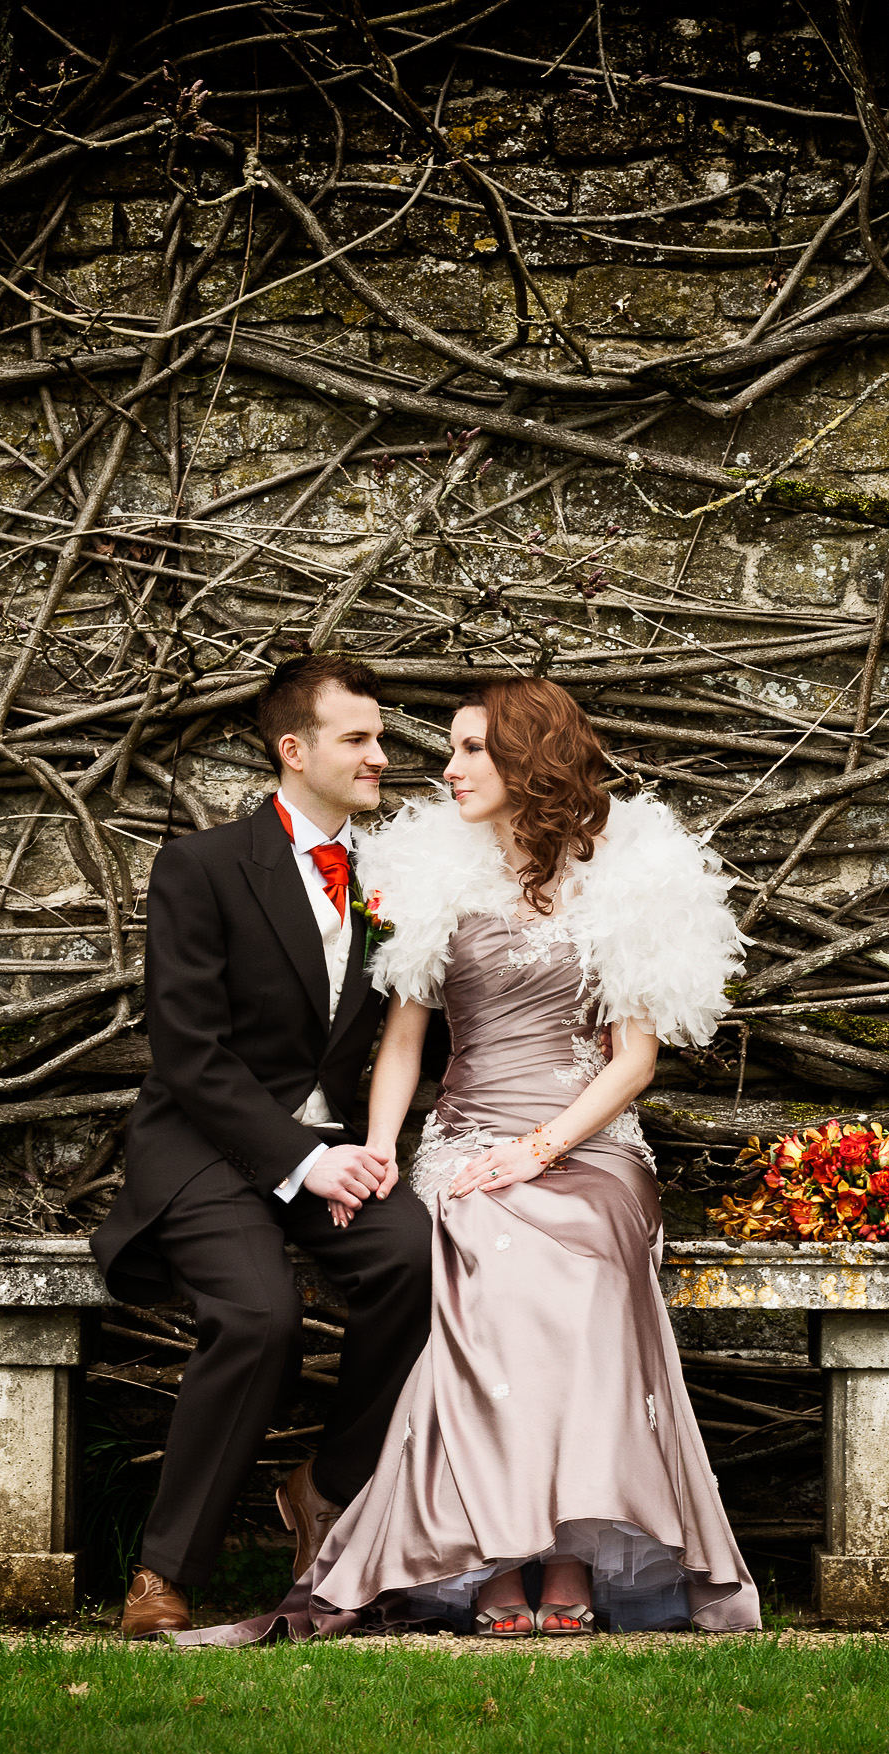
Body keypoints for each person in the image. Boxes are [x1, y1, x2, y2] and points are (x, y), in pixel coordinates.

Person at [179, 677, 758, 1641]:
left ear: (530, 759)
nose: (446, 769)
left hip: (589, 1143)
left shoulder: (621, 872)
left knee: (581, 1255)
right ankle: (495, 1551)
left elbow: (635, 1060)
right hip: (467, 1139)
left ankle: (565, 1551)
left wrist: (540, 1148)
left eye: (471, 750)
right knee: (485, 1259)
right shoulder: (433, 873)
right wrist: (381, 1151)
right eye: (449, 750)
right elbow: (405, 1041)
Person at [93, 654, 433, 1641]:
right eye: (357, 737)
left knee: (417, 1258)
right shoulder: (199, 868)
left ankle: (324, 1486)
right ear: (295, 749)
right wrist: (302, 1159)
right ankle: (165, 1571)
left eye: (380, 736)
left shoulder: (393, 881)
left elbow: (415, 1032)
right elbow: (188, 1054)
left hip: (335, 1149)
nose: (380, 753)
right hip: (207, 1145)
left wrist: (363, 1151)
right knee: (260, 1315)